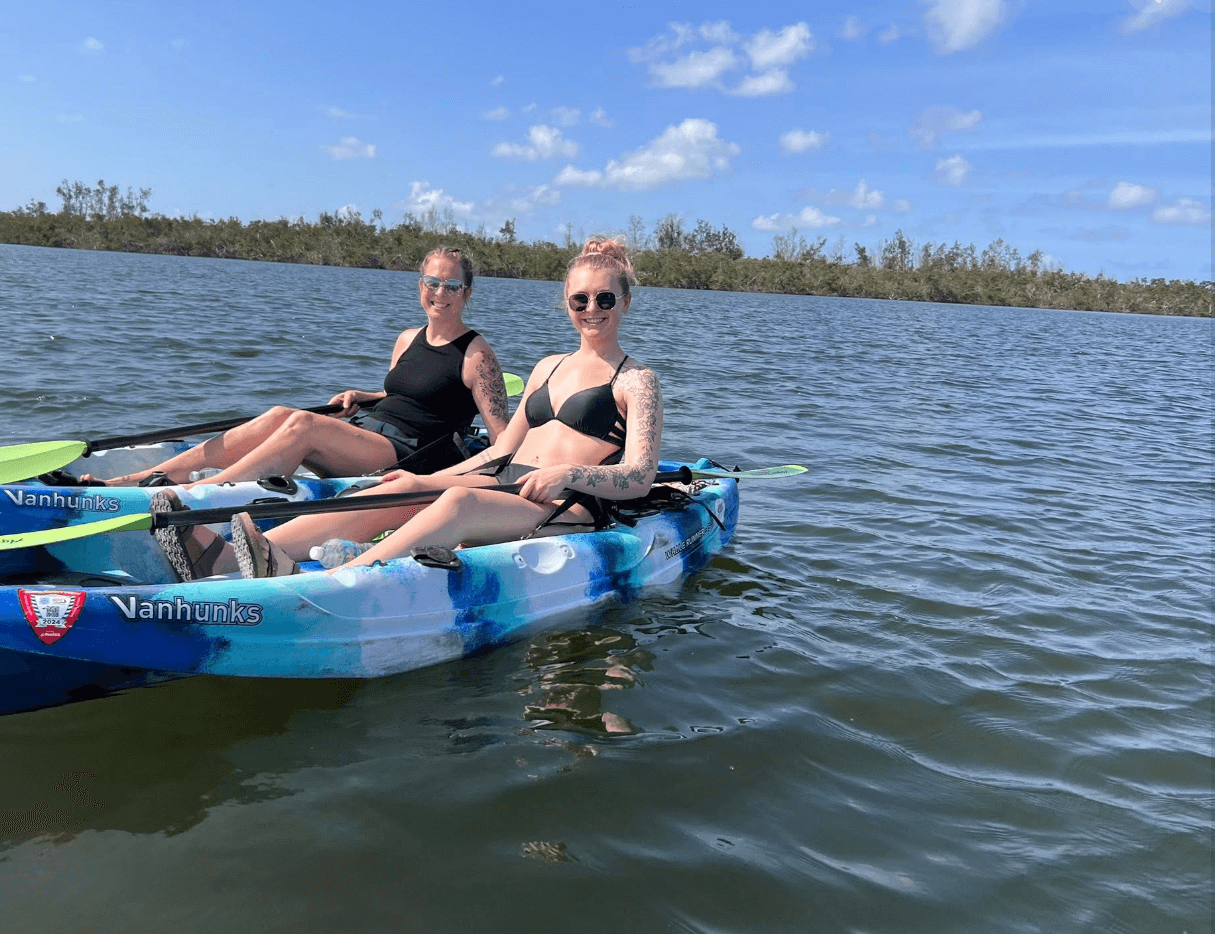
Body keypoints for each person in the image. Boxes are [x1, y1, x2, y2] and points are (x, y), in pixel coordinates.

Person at [152, 236, 662, 581]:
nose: (591, 310)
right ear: (566, 303)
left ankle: (341, 580)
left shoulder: (637, 381)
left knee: (456, 504)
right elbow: (502, 449)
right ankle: (230, 556)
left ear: (626, 303)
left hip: (563, 502)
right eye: (580, 301)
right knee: (394, 491)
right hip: (507, 481)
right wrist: (421, 480)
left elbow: (639, 474)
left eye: (604, 300)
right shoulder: (548, 366)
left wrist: (571, 473)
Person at [88, 247, 510, 488]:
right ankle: (136, 480)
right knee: (279, 415)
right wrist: (367, 396)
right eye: (432, 282)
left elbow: (502, 442)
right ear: (420, 285)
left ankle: (201, 492)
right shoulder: (407, 338)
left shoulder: (477, 355)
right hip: (365, 430)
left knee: (304, 425)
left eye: (452, 285)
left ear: (467, 293)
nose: (440, 292)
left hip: (406, 455)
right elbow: (410, 393)